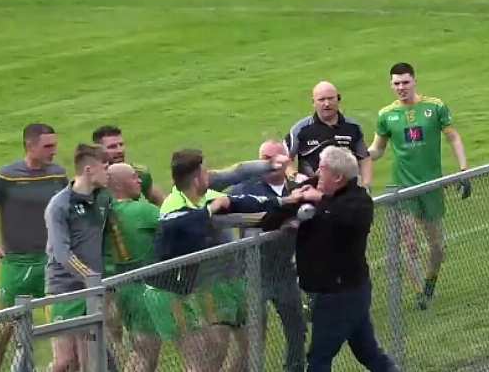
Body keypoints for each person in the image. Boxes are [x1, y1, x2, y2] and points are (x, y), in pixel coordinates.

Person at [150, 149, 291, 372]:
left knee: (251, 342)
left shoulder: (207, 193)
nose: (211, 175)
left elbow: (239, 181)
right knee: (213, 350)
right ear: (197, 178)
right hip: (196, 287)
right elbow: (181, 226)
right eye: (205, 171)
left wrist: (280, 187)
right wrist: (210, 211)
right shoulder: (174, 207)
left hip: (231, 280)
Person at [261, 146, 398, 372]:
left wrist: (321, 200)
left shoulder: (359, 201)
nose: (317, 172)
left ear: (337, 177)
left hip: (341, 293)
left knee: (318, 360)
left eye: (321, 169)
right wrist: (289, 204)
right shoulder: (312, 188)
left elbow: (346, 219)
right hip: (335, 292)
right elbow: (270, 220)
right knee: (369, 353)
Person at [368, 62, 472, 310]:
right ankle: (420, 295)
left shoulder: (434, 107)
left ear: (414, 81)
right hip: (402, 188)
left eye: (405, 82)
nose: (401, 87)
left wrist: (464, 170)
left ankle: (429, 284)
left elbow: (453, 137)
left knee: (437, 248)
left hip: (432, 186)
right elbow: (378, 150)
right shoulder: (386, 115)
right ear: (390, 85)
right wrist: (356, 154)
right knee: (410, 242)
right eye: (396, 83)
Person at [0, 123, 67, 372]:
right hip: (16, 266)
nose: (54, 151)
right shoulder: (5, 177)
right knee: (1, 336)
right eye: (48, 146)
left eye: (54, 145)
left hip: (51, 265)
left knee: (64, 332)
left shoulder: (58, 175)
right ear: (30, 146)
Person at [229, 140, 306, 372]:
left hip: (284, 270)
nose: (268, 164)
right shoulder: (245, 189)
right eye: (264, 158)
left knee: (297, 328)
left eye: (274, 158)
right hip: (253, 271)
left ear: (287, 161)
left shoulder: (296, 187)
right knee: (253, 334)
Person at [44, 144, 112, 372]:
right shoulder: (60, 206)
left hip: (91, 291)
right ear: (89, 170)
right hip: (64, 290)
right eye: (105, 167)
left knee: (88, 361)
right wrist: (91, 278)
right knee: (65, 362)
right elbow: (62, 254)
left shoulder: (103, 199)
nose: (108, 172)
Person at [107, 163, 162, 372]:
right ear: (119, 185)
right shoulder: (142, 210)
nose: (139, 181)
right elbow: (174, 224)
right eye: (133, 177)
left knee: (139, 351)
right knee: (145, 353)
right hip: (143, 290)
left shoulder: (105, 213)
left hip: (120, 288)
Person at [285, 81, 372, 190]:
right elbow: (284, 158)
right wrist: (294, 175)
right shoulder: (300, 129)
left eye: (331, 98)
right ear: (313, 102)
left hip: (348, 193)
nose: (326, 104)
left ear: (338, 99)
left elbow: (364, 158)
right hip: (313, 194)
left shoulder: (353, 127)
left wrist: (366, 185)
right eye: (321, 100)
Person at [92, 125, 166, 206]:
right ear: (98, 150)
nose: (120, 150)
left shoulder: (139, 174)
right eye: (112, 147)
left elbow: (163, 203)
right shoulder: (91, 181)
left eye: (121, 144)